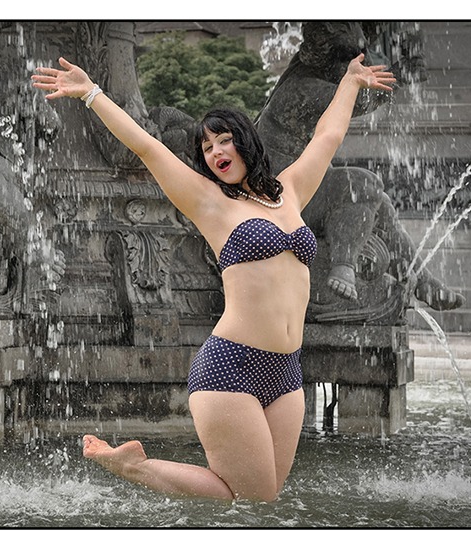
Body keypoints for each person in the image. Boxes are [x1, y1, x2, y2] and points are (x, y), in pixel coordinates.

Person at [32, 54, 394, 502]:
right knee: (252, 498)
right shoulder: (209, 203)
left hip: (287, 371)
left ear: (246, 143)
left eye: (224, 141)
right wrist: (91, 94)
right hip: (230, 367)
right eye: (207, 148)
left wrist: (351, 81)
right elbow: (148, 147)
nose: (217, 152)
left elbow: (328, 135)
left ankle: (137, 466)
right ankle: (135, 466)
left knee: (264, 501)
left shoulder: (289, 191)